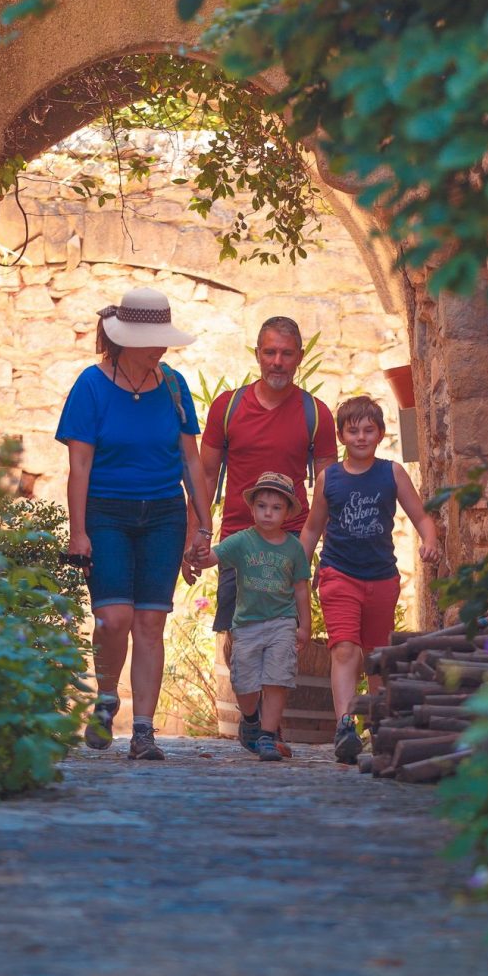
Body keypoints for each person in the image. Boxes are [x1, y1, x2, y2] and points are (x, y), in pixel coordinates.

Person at [56, 285, 213, 761]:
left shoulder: (175, 386)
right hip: (106, 512)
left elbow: (192, 462)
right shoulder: (91, 385)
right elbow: (79, 466)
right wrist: (78, 530)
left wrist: (202, 528)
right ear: (125, 340)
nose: (162, 348)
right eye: (154, 340)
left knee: (150, 622)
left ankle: (143, 731)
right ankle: (106, 700)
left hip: (163, 514)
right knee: (114, 617)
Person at [191, 316, 338, 752]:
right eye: (270, 352)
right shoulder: (227, 407)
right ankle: (252, 719)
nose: (278, 361)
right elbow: (204, 474)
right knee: (239, 639)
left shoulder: (316, 414)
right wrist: (194, 537)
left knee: (284, 640)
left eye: (287, 353)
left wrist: (304, 549)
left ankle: (270, 731)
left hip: (290, 543)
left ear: (299, 356)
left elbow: (329, 488)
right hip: (239, 542)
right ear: (257, 354)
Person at [300, 394, 440, 764]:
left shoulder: (391, 473)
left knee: (376, 656)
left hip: (381, 578)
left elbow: (422, 517)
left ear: (379, 434)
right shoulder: (331, 478)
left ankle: (379, 724)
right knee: (345, 648)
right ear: (342, 436)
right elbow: (313, 529)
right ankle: (346, 725)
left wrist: (430, 540)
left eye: (368, 430)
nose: (361, 437)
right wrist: (297, 568)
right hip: (338, 574)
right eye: (353, 431)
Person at [195, 471, 311, 762]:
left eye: (276, 508)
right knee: (244, 684)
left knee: (277, 679)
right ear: (252, 508)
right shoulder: (242, 541)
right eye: (262, 506)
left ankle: (267, 737)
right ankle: (250, 720)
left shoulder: (294, 548)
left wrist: (304, 625)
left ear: (287, 512)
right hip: (247, 624)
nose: (268, 513)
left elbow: (300, 588)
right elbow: (214, 557)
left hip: (282, 622)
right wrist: (197, 555)